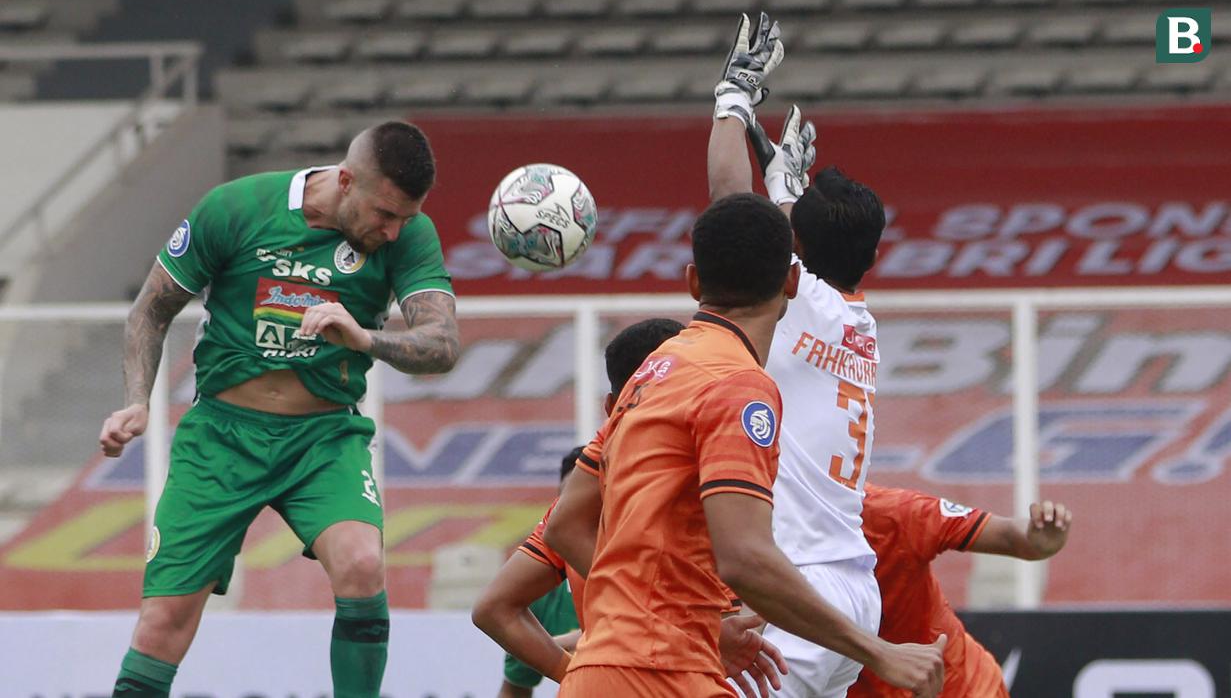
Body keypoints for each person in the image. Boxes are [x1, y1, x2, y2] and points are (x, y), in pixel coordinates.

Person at [97, 121, 460, 697]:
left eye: (405, 218)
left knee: (363, 564)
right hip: (221, 437)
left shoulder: (409, 235)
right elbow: (150, 309)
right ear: (345, 181)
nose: (392, 232)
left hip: (323, 439)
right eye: (384, 214)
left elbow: (441, 345)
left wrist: (365, 339)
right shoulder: (237, 208)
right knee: (162, 623)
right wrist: (136, 403)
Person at [547, 193, 944, 697]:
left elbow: (566, 523)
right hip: (661, 675)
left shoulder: (652, 371)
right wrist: (878, 650)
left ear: (693, 281)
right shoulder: (738, 386)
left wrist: (683, 618)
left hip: (606, 672)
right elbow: (745, 558)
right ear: (792, 283)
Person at [708, 11, 935, 697]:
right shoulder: (855, 320)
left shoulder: (798, 300)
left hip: (795, 592)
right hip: (849, 589)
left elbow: (727, 205)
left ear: (795, 254)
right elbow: (781, 232)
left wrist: (732, 98)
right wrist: (789, 188)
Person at [475, 318, 791, 698]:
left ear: (613, 407)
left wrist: (576, 673)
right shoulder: (720, 492)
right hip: (686, 677)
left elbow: (494, 608)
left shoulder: (580, 508)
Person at [849, 486, 1073, 697]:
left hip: (959, 688)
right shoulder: (813, 549)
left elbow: (1009, 536)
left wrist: (1034, 540)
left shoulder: (899, 512)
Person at [492, 447, 585, 698]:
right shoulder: (535, 591)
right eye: (567, 500)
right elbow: (515, 687)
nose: (575, 510)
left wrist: (555, 647)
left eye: (588, 499)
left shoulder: (642, 560)